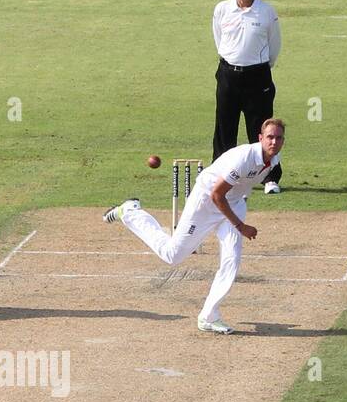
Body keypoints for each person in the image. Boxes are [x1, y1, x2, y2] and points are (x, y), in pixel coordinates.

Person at [103, 119, 286, 334]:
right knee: (173, 255)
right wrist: (241, 225)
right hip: (207, 202)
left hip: (233, 204)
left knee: (231, 259)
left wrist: (238, 212)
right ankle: (131, 212)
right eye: (270, 137)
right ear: (260, 138)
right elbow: (217, 194)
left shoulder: (274, 159)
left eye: (278, 138)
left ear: (283, 141)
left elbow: (239, 188)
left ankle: (209, 316)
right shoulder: (244, 158)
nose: (274, 142)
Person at [212, 0, 283, 194]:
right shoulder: (222, 9)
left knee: (261, 129)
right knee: (225, 127)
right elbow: (219, 40)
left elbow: (274, 45)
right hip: (228, 75)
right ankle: (221, 176)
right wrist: (233, 62)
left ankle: (270, 178)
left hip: (257, 76)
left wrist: (259, 66)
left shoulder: (266, 11)